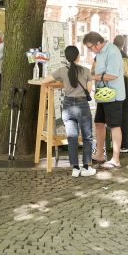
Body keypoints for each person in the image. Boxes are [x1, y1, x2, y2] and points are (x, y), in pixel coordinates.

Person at [40, 46, 96, 177]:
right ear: (78, 56)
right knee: (87, 137)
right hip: (82, 105)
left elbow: (44, 81)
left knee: (72, 138)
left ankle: (75, 168)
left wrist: (60, 79)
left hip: (67, 105)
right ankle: (87, 167)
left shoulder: (62, 71)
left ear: (66, 57)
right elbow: (88, 91)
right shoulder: (86, 71)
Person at [84, 31, 125, 170]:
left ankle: (115, 159)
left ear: (98, 43)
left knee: (114, 125)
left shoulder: (112, 52)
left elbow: (112, 75)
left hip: (113, 96)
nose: (90, 51)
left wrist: (92, 78)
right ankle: (100, 154)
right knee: (99, 123)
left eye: (90, 48)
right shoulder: (100, 52)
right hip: (103, 94)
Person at [112, 35, 128, 153]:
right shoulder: (127, 76)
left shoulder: (120, 77)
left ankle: (124, 145)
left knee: (123, 124)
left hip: (122, 102)